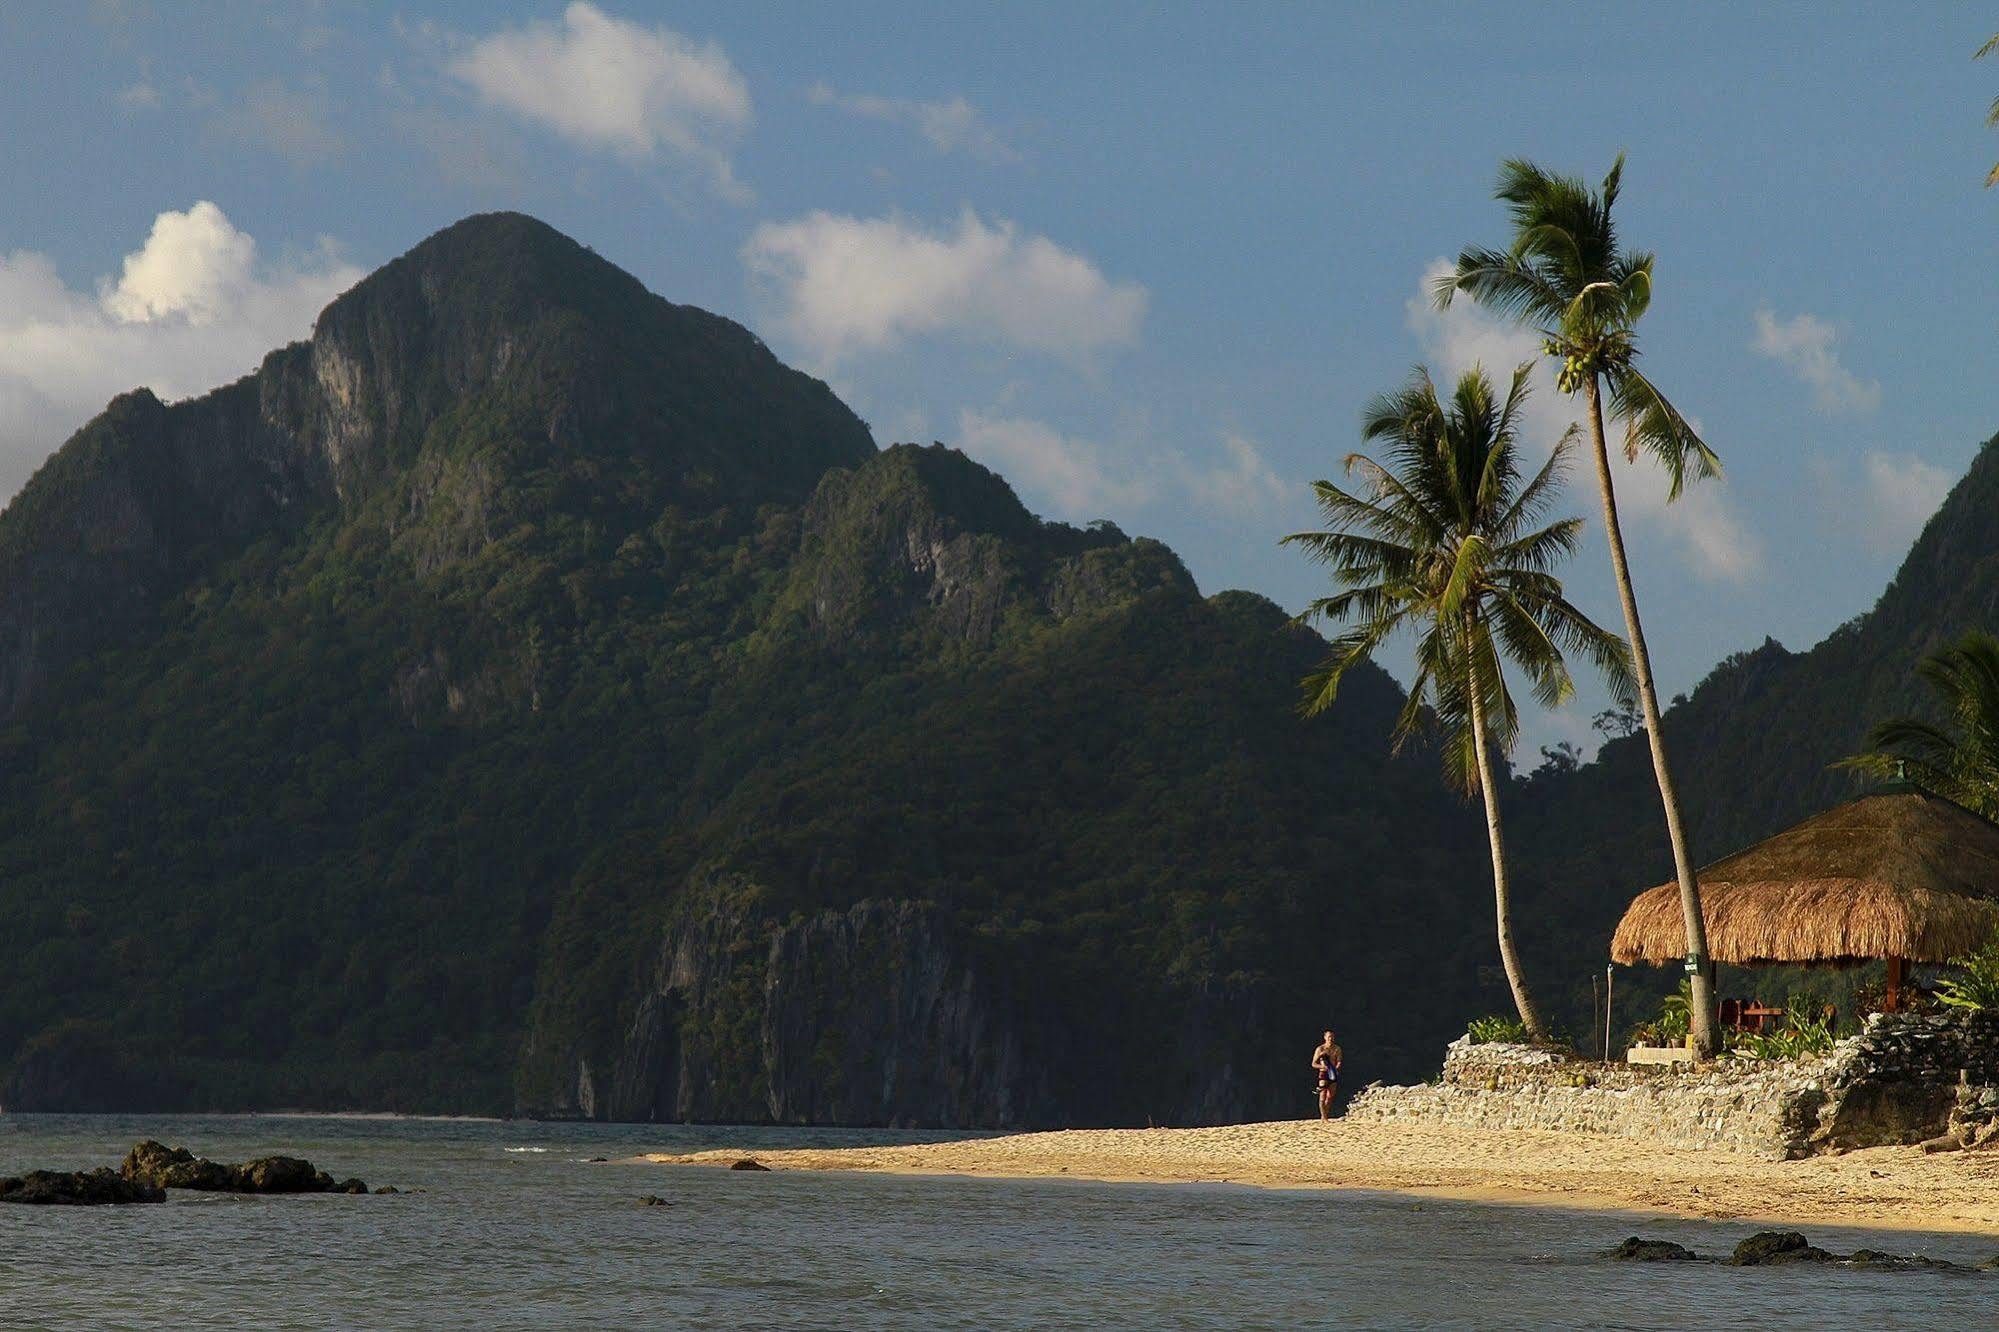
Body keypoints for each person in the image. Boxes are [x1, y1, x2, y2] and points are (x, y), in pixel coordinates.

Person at [1311, 1029, 1342, 1120]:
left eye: (1332, 1037)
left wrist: (1336, 1068)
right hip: (1323, 1073)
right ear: (1325, 1038)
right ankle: (1324, 1117)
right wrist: (1323, 1067)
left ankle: (1325, 1115)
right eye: (1329, 1037)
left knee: (1330, 1095)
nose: (1330, 1039)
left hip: (1333, 1072)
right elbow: (1313, 1063)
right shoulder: (1320, 1049)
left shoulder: (1337, 1049)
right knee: (1323, 1094)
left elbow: (1339, 1061)